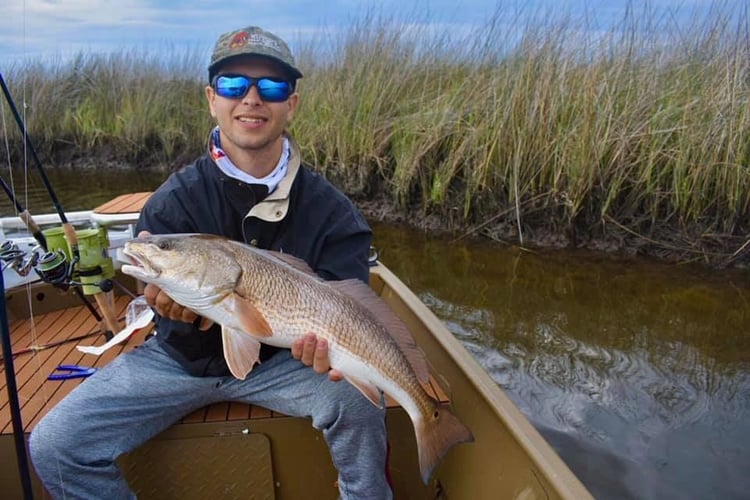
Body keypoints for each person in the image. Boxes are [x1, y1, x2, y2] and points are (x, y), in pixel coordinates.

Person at [29, 26, 392, 499]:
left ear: (292, 104)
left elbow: (350, 305)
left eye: (273, 86)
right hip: (178, 362)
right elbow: (167, 310)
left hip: (287, 363)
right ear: (211, 99)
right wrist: (175, 313)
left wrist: (326, 351)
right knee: (54, 445)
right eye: (234, 85)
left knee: (362, 404)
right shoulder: (170, 205)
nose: (252, 99)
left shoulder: (335, 213)